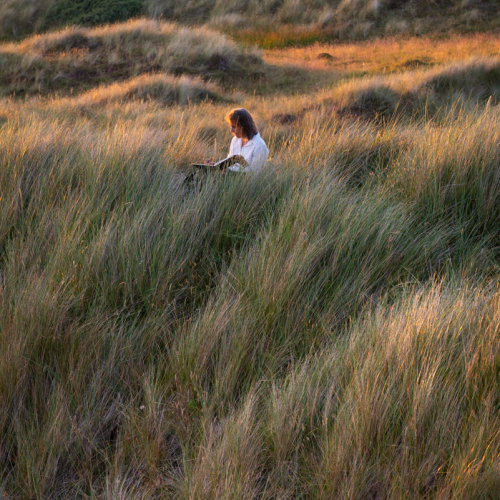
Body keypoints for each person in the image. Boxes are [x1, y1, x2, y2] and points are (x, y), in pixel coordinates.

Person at [224, 108, 269, 173]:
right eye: (231, 127)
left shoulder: (259, 145)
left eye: (234, 127)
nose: (231, 131)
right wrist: (215, 166)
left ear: (244, 126)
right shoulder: (235, 140)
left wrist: (244, 164)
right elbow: (228, 165)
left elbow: (256, 174)